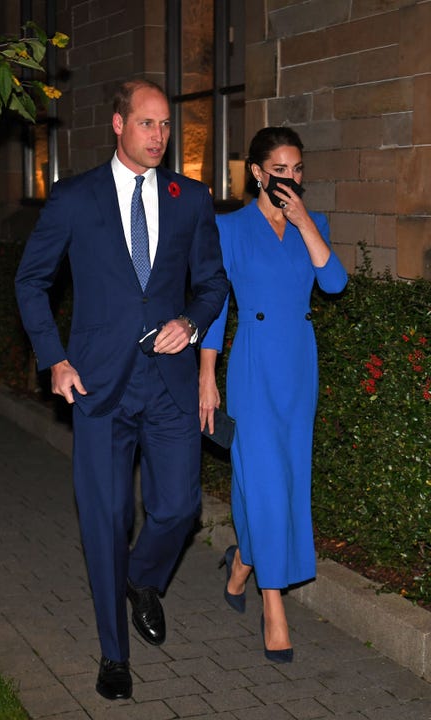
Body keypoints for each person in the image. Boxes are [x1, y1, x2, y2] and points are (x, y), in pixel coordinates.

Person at [15, 79, 228, 700]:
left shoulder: (190, 198)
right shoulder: (75, 198)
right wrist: (53, 359)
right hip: (96, 387)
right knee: (106, 520)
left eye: (166, 125)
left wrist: (190, 323)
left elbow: (212, 283)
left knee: (179, 508)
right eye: (148, 124)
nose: (160, 136)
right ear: (118, 124)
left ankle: (139, 578)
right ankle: (114, 655)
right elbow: (31, 283)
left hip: (167, 385)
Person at [199, 126, 347, 662]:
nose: (291, 178)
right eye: (280, 170)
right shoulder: (229, 228)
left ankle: (242, 562)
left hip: (298, 363)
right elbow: (213, 308)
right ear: (258, 173)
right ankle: (274, 606)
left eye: (298, 169)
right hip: (254, 364)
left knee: (283, 478)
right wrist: (205, 375)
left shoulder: (316, 224)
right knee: (260, 477)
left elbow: (334, 283)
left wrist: (306, 221)